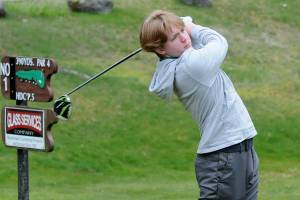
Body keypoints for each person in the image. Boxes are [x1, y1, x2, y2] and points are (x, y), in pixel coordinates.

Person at [139, 10, 259, 200]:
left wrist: (179, 26)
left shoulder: (182, 59)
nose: (184, 39)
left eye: (182, 32)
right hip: (223, 157)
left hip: (240, 149)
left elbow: (192, 45)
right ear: (161, 50)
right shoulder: (191, 66)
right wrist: (189, 25)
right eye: (175, 37)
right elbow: (218, 41)